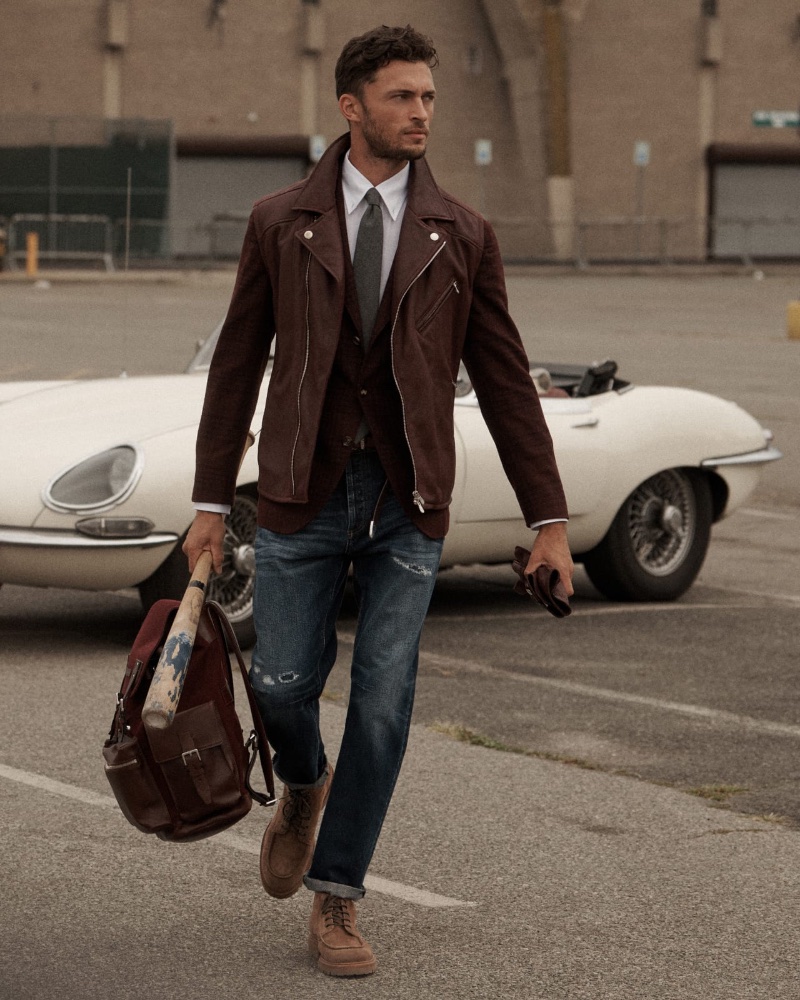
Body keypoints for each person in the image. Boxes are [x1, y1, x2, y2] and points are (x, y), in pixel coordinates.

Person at [184, 23, 574, 978]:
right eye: (402, 97)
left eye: (430, 98)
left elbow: (507, 378)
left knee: (385, 704)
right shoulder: (280, 220)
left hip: (409, 498)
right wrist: (205, 497)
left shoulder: (463, 234)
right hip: (298, 489)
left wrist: (549, 519)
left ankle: (339, 898)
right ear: (352, 106)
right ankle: (304, 790)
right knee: (279, 686)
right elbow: (236, 363)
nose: (422, 114)